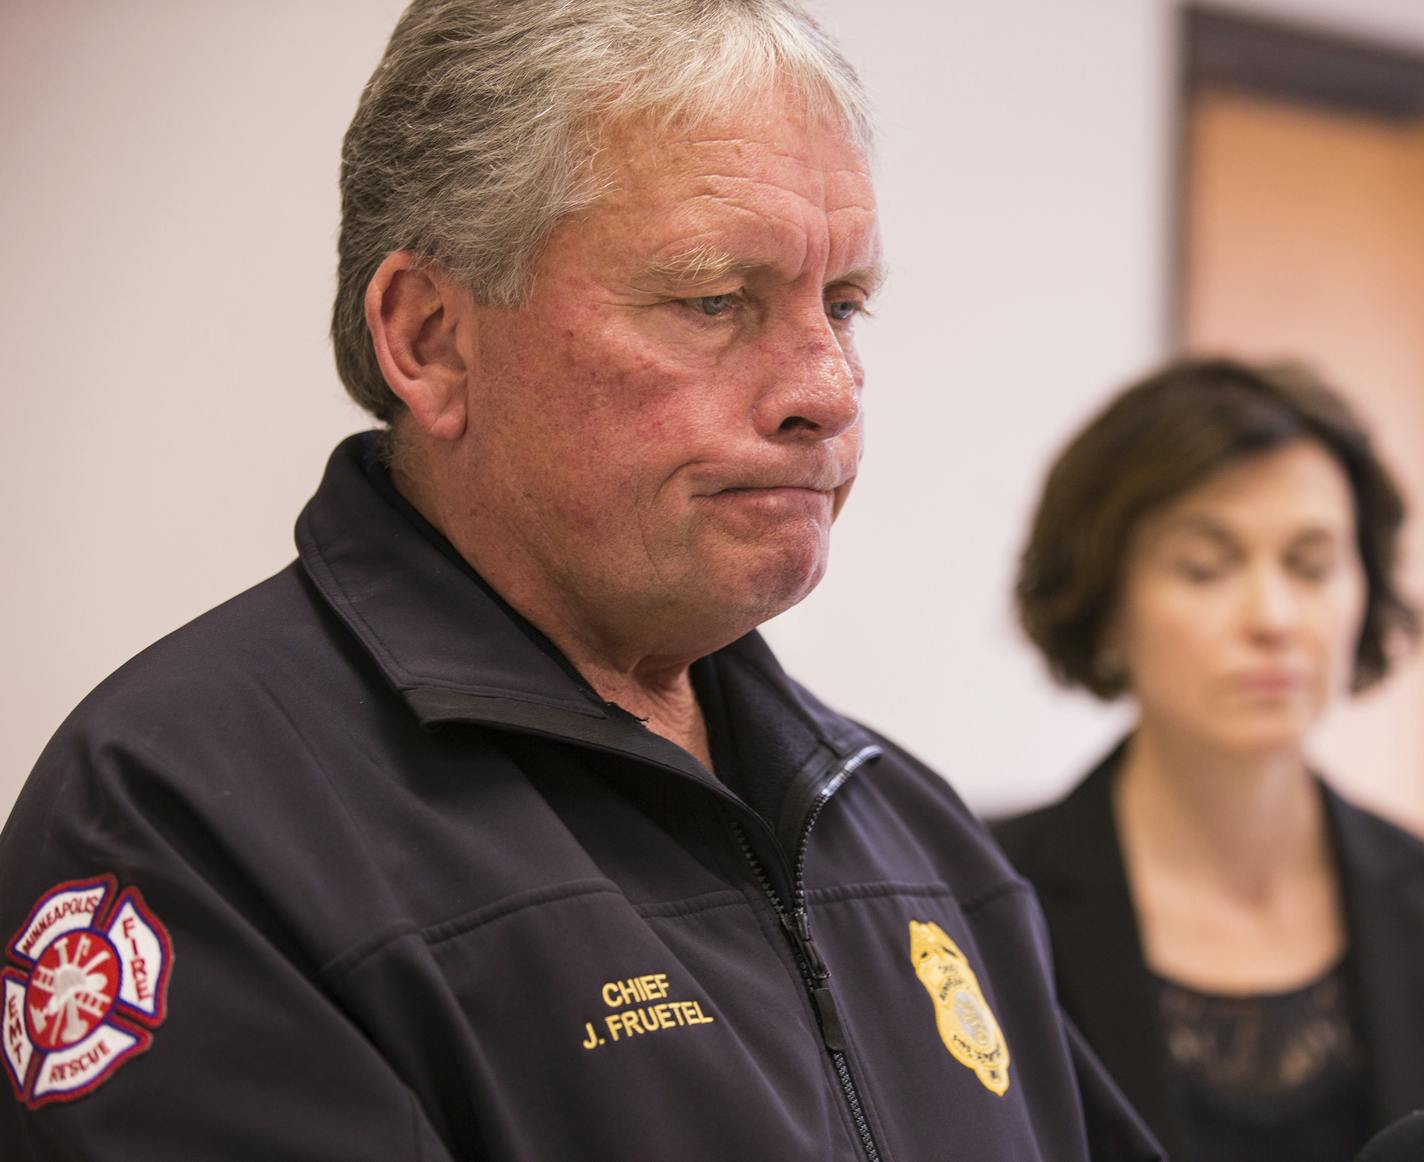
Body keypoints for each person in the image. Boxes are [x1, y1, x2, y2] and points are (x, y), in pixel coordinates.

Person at [0, 2, 1161, 1158]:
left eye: (843, 304)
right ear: (430, 338)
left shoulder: (910, 829)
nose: (828, 387)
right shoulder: (185, 812)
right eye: (713, 299)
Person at [995, 357, 1424, 1162]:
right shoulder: (984, 904)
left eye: (1312, 565)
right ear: (1105, 601)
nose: (1273, 616)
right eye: (1206, 566)